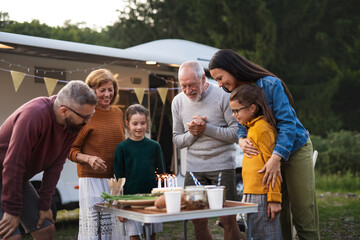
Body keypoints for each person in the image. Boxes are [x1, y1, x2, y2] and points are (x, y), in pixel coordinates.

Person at [209, 49, 320, 240]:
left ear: (232, 68)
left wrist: (277, 156)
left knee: (303, 212)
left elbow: (287, 123)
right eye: (217, 81)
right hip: (267, 155)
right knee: (278, 213)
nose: (219, 84)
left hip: (294, 149)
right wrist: (241, 139)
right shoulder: (235, 93)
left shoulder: (269, 84)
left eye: (220, 78)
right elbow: (241, 123)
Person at [0, 80, 97, 240]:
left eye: (90, 115)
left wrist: (45, 206)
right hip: (8, 172)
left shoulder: (72, 126)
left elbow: (56, 166)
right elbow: (13, 164)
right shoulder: (34, 115)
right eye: (85, 117)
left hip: (18, 179)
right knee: (11, 236)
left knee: (45, 229)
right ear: (64, 110)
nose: (87, 122)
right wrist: (12, 211)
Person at [172, 61, 243, 240]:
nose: (188, 91)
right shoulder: (177, 102)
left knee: (228, 219)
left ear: (203, 78)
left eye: (192, 85)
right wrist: (193, 133)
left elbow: (236, 134)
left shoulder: (223, 96)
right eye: (183, 86)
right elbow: (177, 140)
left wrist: (207, 128)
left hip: (222, 166)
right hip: (194, 169)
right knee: (197, 220)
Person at [68, 69, 127, 240]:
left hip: (114, 181)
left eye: (110, 89)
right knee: (95, 232)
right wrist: (89, 158)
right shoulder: (85, 114)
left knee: (116, 231)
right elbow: (70, 150)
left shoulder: (117, 112)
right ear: (92, 91)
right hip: (91, 180)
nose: (107, 94)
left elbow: (121, 145)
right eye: (102, 90)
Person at [230, 84, 282, 240]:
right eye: (232, 111)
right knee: (254, 235)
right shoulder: (250, 128)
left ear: (252, 108)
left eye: (236, 110)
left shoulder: (262, 129)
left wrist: (274, 199)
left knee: (266, 236)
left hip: (264, 196)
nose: (234, 115)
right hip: (252, 193)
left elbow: (274, 169)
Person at [114, 104, 165, 240]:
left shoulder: (154, 146)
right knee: (134, 235)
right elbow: (119, 179)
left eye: (142, 123)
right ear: (127, 123)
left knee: (151, 236)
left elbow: (161, 174)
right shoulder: (121, 148)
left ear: (147, 123)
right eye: (135, 123)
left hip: (152, 200)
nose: (139, 127)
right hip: (131, 201)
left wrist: (163, 198)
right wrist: (119, 205)